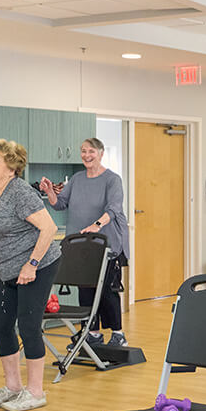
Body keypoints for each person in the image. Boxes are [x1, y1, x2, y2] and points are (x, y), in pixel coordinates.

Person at [0, 139, 61, 411]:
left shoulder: (19, 192)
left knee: (28, 325)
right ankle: (13, 387)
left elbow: (49, 228)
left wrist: (31, 264)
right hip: (8, 271)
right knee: (1, 323)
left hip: (37, 267)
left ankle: (36, 392)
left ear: (11, 168)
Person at [39, 137, 130, 346]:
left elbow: (114, 209)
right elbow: (60, 204)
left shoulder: (112, 179)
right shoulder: (77, 179)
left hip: (105, 244)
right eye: (83, 151)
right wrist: (49, 192)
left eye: (91, 151)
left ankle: (118, 334)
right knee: (85, 289)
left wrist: (96, 225)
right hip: (80, 245)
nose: (86, 155)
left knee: (107, 289)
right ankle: (92, 332)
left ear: (100, 153)